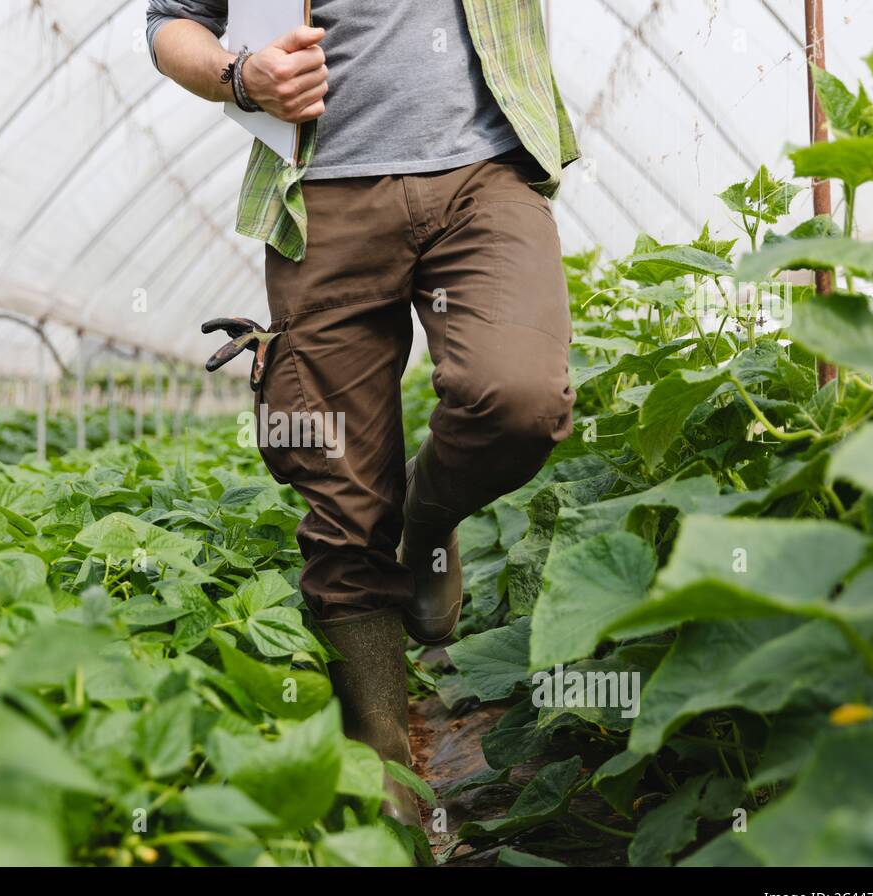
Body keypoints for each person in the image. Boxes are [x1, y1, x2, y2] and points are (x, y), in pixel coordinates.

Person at [146, 0, 578, 825]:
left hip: (485, 168)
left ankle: (424, 522)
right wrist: (240, 76)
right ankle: (391, 803)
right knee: (344, 504)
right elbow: (170, 24)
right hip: (323, 193)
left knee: (518, 396)